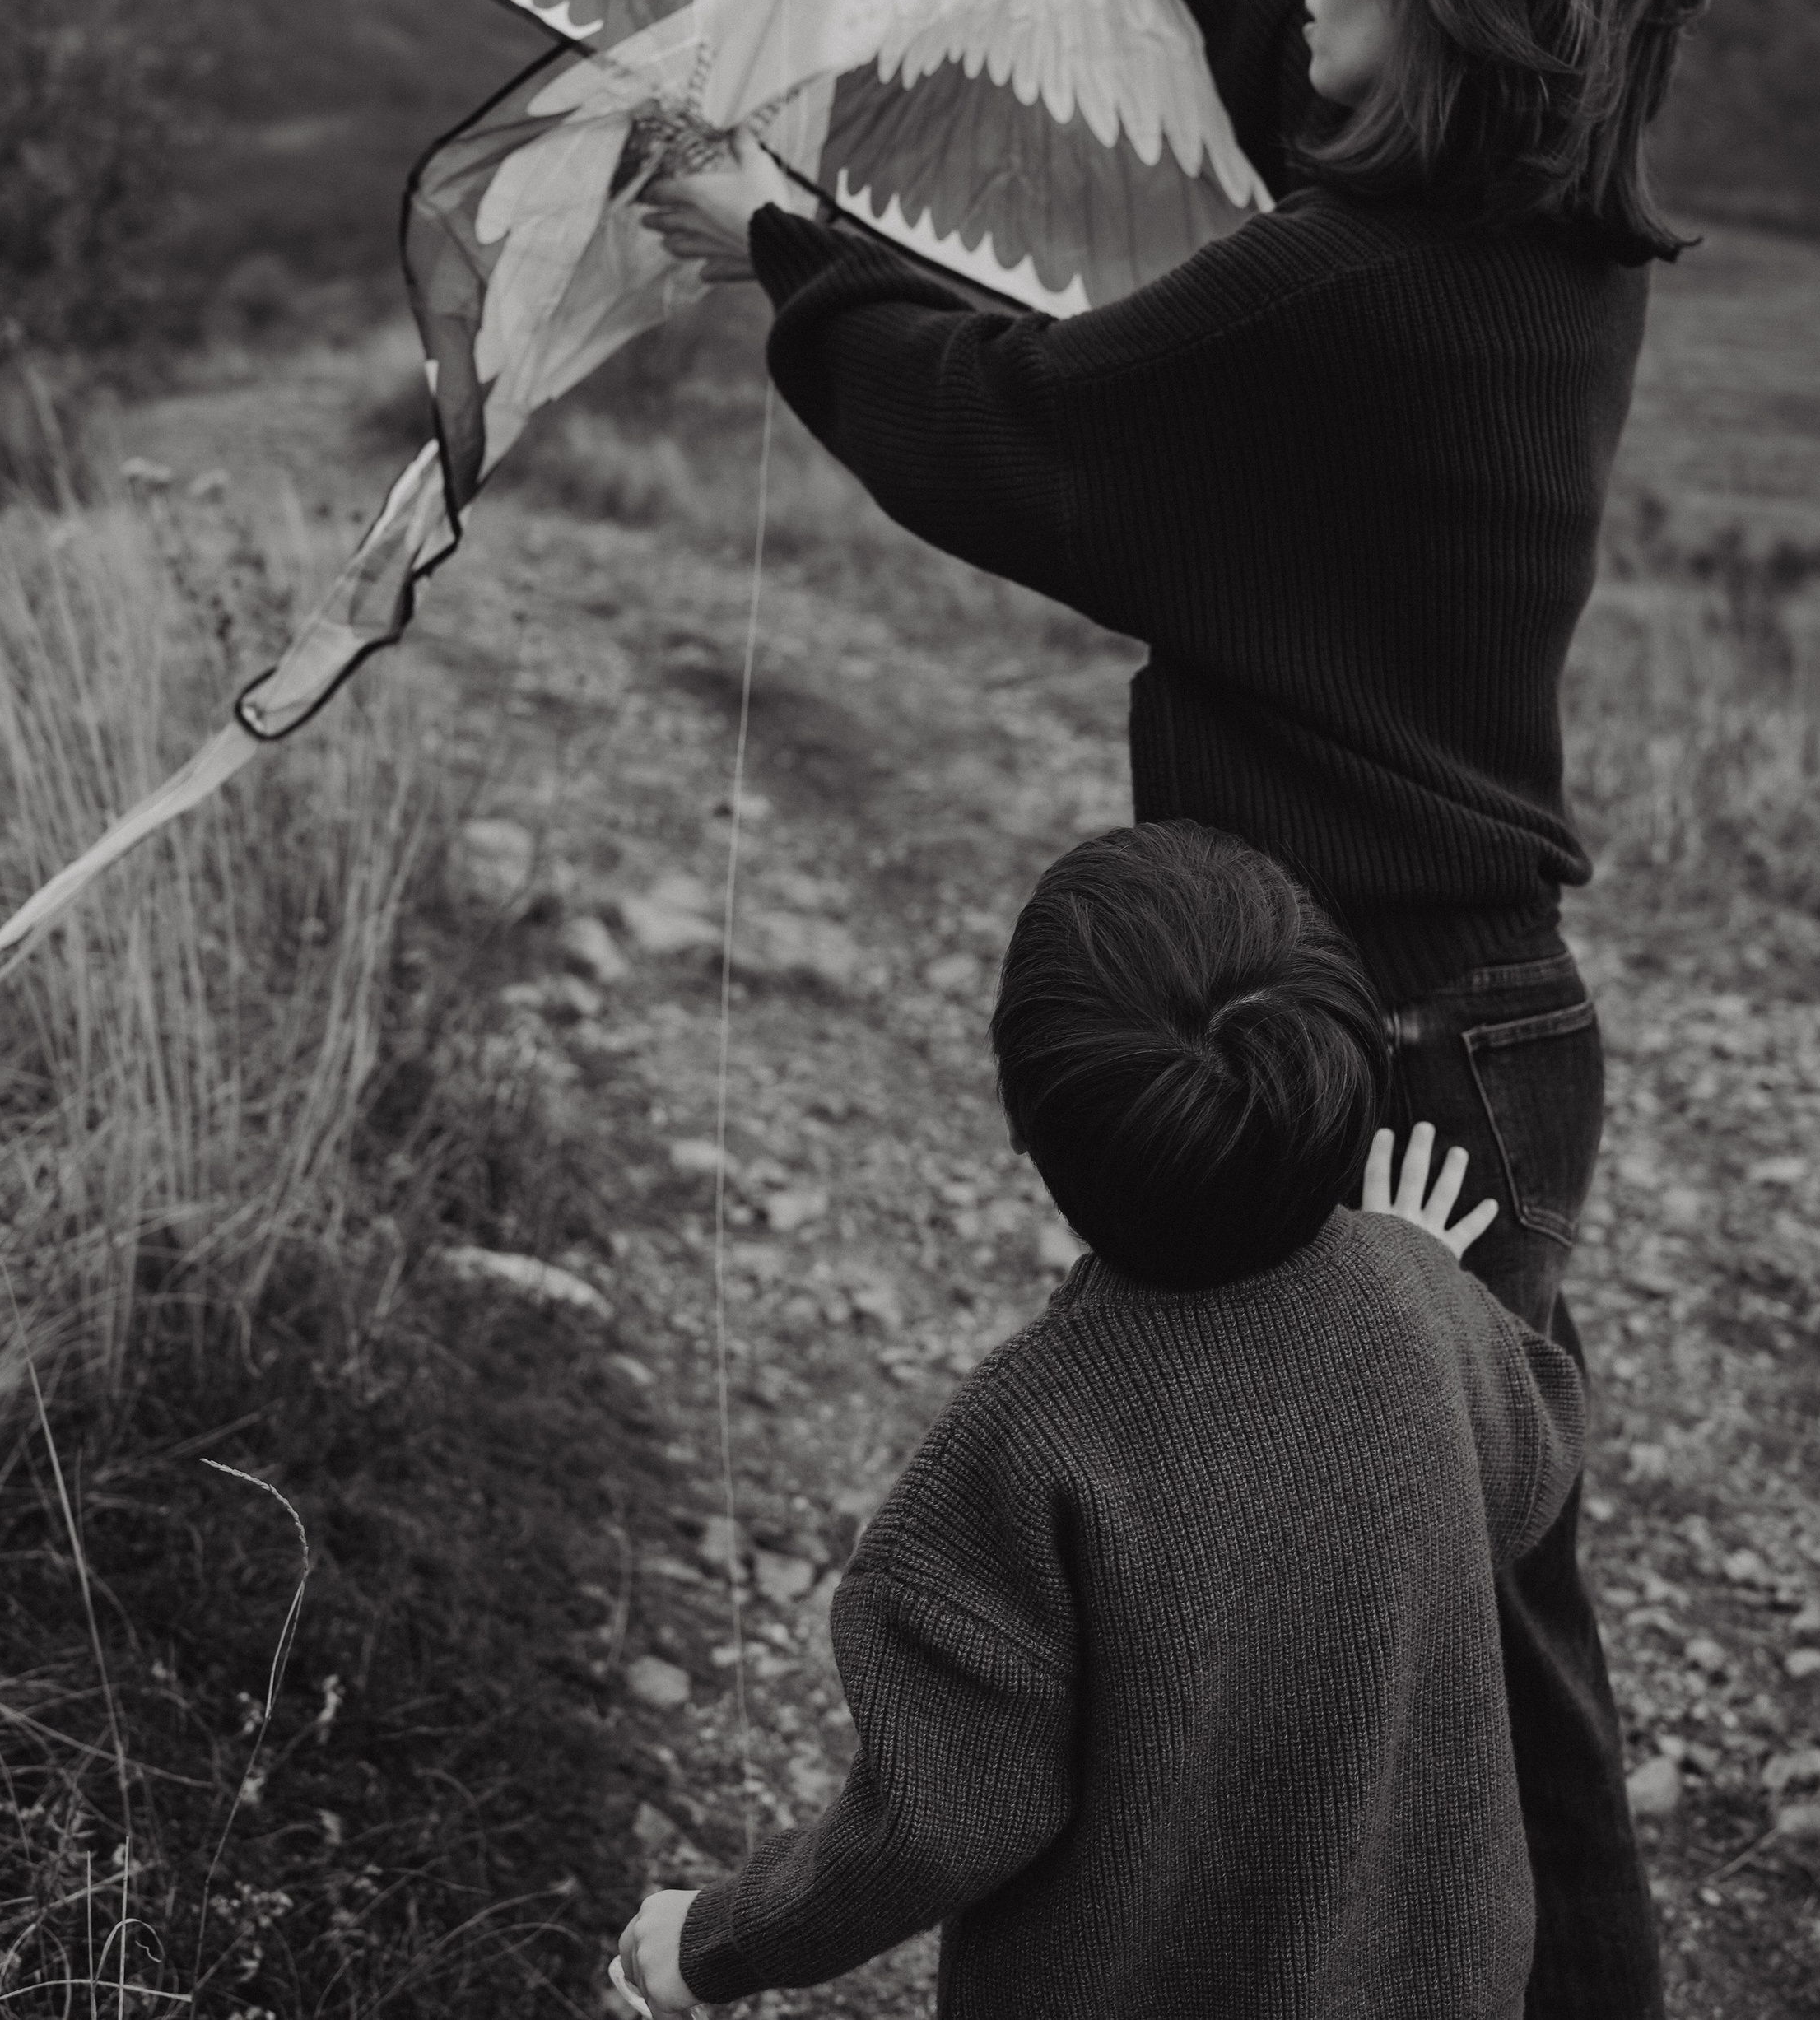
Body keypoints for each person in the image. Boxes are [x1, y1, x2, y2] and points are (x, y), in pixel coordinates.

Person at [649, 0, 1703, 2018]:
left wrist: (775, 253)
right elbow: (1360, 154)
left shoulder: (1352, 287)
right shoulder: (1544, 248)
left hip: (1372, 1034)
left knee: (1372, 1613)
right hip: (1480, 1010)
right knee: (1492, 1606)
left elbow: (1024, 432)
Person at [615, 823, 1585, 2019]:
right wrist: (1434, 1282)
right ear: (1347, 1082)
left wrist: (712, 1937)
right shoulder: (1418, 1297)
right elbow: (1529, 1478)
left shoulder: (1027, 1437)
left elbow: (927, 1826)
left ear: (1029, 1135)